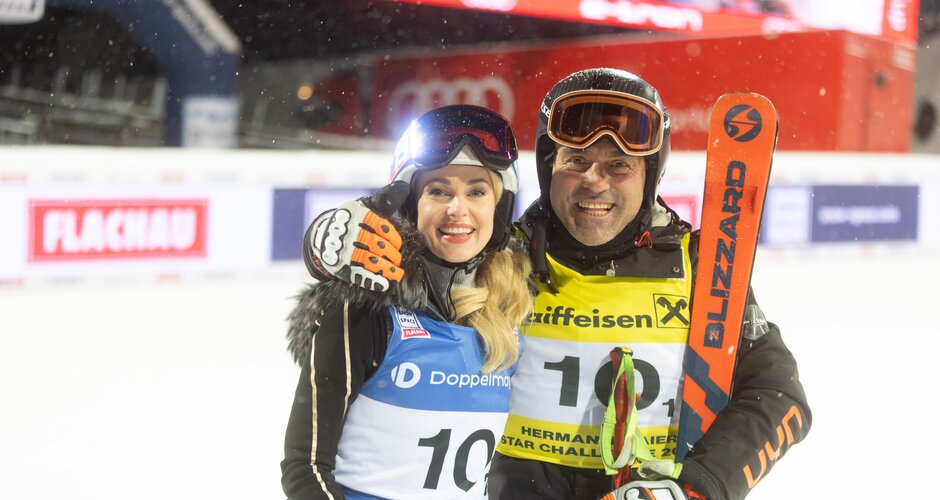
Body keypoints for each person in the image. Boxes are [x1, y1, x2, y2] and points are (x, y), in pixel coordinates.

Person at [304, 69, 812, 500]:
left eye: (619, 166)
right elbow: (396, 286)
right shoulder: (498, 256)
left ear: (649, 175)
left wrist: (696, 487)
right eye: (576, 162)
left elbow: (781, 398)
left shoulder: (699, 268)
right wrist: (327, 244)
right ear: (549, 167)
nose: (596, 181)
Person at [280, 104, 533, 500]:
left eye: (477, 191)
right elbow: (305, 468)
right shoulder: (367, 310)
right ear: (411, 204)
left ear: (498, 209)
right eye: (438, 190)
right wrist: (317, 246)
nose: (457, 208)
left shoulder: (513, 311)